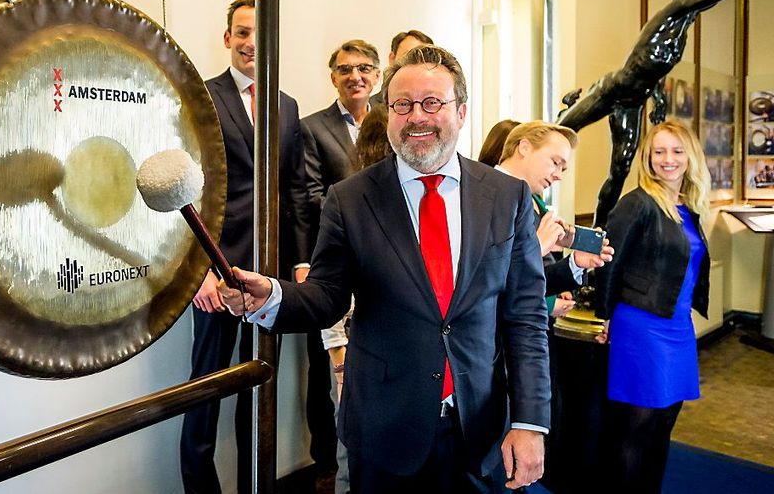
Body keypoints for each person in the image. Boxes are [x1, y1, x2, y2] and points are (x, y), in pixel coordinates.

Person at [220, 45, 551, 493]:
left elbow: (525, 318)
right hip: (385, 430)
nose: (417, 116)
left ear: (462, 112)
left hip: (480, 431)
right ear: (388, 112)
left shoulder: (505, 197)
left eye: (433, 102)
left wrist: (530, 421)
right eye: (402, 104)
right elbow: (326, 294)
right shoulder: (351, 199)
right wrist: (274, 296)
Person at [557, 0, 774, 226]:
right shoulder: (674, 11)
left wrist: (658, 97)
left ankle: (599, 231)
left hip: (633, 102)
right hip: (611, 89)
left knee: (620, 170)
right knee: (556, 135)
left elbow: (648, 64)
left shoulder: (679, 32)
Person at [180, 0, 312, 494]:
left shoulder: (287, 105)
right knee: (205, 391)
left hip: (269, 277)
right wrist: (199, 273)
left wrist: (299, 263)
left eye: (259, 33)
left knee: (257, 392)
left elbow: (295, 192)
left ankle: (254, 486)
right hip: (217, 271)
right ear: (227, 39)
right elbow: (180, 192)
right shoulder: (201, 97)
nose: (250, 42)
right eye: (241, 33)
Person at [494, 121, 614, 493]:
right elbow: (483, 279)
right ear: (525, 147)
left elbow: (532, 279)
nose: (560, 175)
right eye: (556, 162)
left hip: (529, 343)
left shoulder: (528, 202)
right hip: (493, 351)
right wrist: (537, 249)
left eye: (564, 167)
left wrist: (575, 265)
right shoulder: (484, 195)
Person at [595, 120, 711, 494]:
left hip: (677, 326)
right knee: (639, 425)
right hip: (641, 326)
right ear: (648, 158)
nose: (668, 159)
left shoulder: (687, 207)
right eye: (659, 151)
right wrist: (605, 317)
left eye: (677, 151)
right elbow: (609, 262)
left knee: (664, 423)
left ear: (690, 156)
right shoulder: (638, 203)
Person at [300, 39, 385, 479]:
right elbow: (307, 197)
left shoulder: (395, 121)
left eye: (365, 68)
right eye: (346, 68)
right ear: (333, 76)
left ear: (378, 75)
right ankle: (327, 466)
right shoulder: (312, 127)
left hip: (383, 259)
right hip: (331, 255)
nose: (356, 76)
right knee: (328, 366)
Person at [371, 30, 433, 104]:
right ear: (392, 58)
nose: (416, 63)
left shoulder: (440, 104)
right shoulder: (371, 107)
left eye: (422, 58)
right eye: (408, 56)